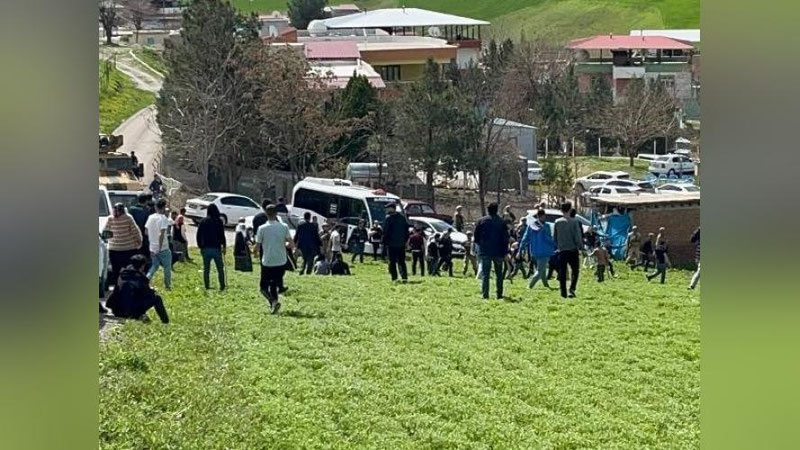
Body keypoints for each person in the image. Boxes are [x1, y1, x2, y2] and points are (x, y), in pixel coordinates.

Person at [254, 205, 295, 313]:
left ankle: (273, 301)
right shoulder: (284, 226)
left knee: (263, 287)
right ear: (276, 214)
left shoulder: (262, 228)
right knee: (273, 284)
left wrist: (254, 252)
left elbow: (257, 247)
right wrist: (284, 244)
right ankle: (274, 305)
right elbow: (291, 244)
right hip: (281, 261)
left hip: (268, 261)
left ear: (266, 214)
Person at [105, 255, 169, 324]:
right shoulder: (139, 277)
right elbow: (147, 293)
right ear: (142, 266)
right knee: (157, 298)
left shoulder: (123, 274)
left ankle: (140, 315)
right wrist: (152, 290)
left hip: (116, 311)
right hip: (128, 312)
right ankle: (165, 322)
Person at [474, 202, 510, 300]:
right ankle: (499, 294)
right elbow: (505, 238)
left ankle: (485, 295)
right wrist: (506, 252)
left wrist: (480, 246)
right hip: (498, 252)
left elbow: (476, 237)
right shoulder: (502, 222)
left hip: (485, 251)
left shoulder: (481, 221)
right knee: (499, 274)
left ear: (487, 210)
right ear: (497, 210)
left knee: (486, 274)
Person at [103, 203, 143, 288]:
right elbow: (135, 231)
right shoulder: (128, 218)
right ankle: (129, 287)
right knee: (129, 270)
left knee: (116, 271)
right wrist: (139, 242)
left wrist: (113, 239)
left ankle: (117, 288)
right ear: (124, 209)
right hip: (129, 249)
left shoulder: (110, 219)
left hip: (114, 250)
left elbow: (105, 232)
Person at [518, 209, 555, 290]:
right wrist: (555, 244)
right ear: (543, 216)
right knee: (540, 270)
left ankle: (546, 284)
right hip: (545, 251)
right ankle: (530, 286)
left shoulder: (531, 226)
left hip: (534, 251)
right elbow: (548, 238)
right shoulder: (546, 226)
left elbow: (525, 238)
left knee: (542, 268)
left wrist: (521, 249)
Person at [553, 201, 583, 298]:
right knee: (575, 270)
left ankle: (563, 292)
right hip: (573, 249)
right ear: (570, 209)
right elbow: (577, 236)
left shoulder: (557, 222)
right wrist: (581, 247)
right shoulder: (575, 222)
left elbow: (555, 237)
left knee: (562, 271)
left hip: (562, 250)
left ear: (561, 210)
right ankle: (572, 289)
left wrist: (558, 246)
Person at [196, 203, 226, 290]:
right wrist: (224, 246)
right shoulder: (219, 221)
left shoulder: (203, 221)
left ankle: (207, 286)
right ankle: (222, 285)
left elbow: (198, 235)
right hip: (216, 248)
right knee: (220, 268)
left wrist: (200, 246)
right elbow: (222, 235)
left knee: (206, 268)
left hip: (206, 248)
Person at [145, 199, 172, 290]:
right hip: (163, 247)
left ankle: (146, 280)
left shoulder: (151, 217)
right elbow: (161, 234)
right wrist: (159, 247)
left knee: (154, 266)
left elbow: (146, 231)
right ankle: (167, 286)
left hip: (152, 247)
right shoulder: (163, 219)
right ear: (164, 207)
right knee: (167, 267)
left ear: (156, 207)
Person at [382, 203, 410, 282]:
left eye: (388, 208)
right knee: (401, 261)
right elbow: (406, 231)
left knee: (392, 262)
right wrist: (405, 241)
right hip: (401, 244)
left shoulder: (389, 218)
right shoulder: (402, 218)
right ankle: (404, 277)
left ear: (392, 208)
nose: (386, 210)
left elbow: (385, 232)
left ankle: (394, 278)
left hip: (391, 244)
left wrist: (384, 243)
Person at [128, 193, 151, 262]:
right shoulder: (146, 211)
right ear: (146, 201)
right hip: (143, 238)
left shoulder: (131, 209)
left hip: (132, 237)